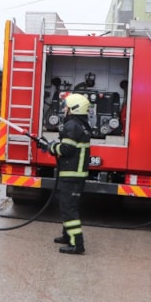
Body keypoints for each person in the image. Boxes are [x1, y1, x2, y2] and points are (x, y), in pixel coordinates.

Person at [42, 93, 91, 254]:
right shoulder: (81, 124)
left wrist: (49, 147)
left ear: (74, 109)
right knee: (67, 206)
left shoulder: (72, 125)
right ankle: (67, 236)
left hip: (72, 175)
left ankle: (77, 244)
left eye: (67, 107)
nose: (64, 109)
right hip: (75, 174)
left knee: (69, 209)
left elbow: (65, 149)